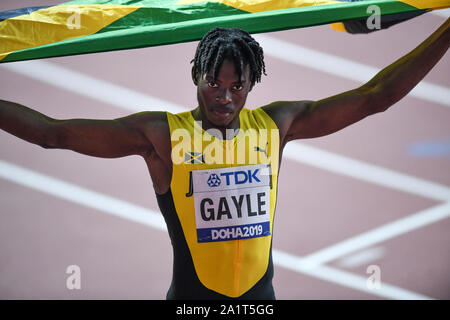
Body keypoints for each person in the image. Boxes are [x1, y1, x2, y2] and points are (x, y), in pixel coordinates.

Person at [1, 19, 449, 300]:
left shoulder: (276, 125)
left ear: (254, 82)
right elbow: (51, 134)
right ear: (196, 75)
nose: (225, 97)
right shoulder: (161, 136)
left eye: (238, 87)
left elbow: (376, 97)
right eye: (215, 84)